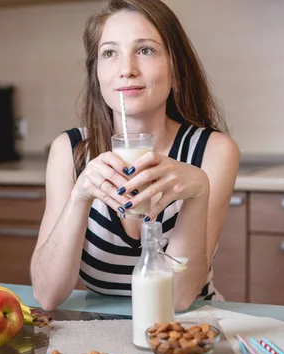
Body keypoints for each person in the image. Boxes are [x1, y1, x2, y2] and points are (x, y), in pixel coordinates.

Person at [31, 0, 240, 312]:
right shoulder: (70, 150)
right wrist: (80, 195)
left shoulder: (213, 151)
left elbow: (177, 298)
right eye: (110, 53)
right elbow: (47, 295)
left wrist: (198, 191)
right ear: (97, 74)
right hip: (98, 336)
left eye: (145, 50)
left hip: (185, 330)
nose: (126, 69)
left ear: (176, 70)